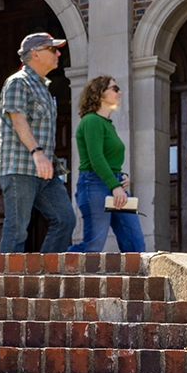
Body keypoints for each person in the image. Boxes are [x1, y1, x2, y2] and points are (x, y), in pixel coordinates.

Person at [0, 32, 78, 253]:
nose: (58, 53)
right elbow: (18, 120)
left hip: (44, 171)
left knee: (65, 219)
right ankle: (7, 283)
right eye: (52, 49)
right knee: (17, 230)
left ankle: (45, 275)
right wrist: (37, 151)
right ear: (35, 54)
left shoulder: (43, 87)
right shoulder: (17, 83)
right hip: (20, 168)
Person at [69, 75, 145, 253]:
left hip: (114, 183)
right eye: (115, 88)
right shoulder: (91, 121)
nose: (120, 92)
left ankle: (133, 280)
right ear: (100, 94)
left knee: (135, 243)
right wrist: (115, 186)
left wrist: (122, 177)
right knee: (93, 244)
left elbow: (108, 160)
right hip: (94, 184)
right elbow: (96, 159)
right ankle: (56, 270)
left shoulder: (107, 124)